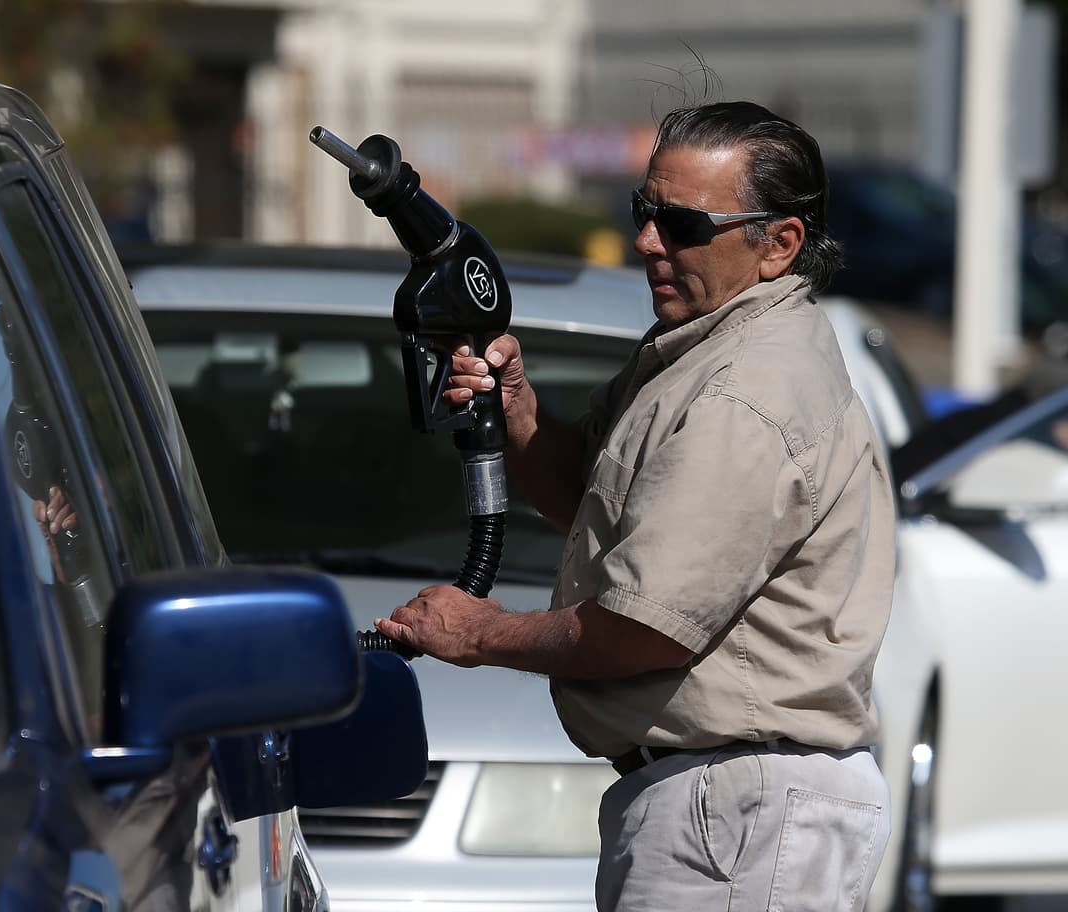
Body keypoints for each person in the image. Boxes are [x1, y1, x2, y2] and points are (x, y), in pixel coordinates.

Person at [376, 101, 896, 911]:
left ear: (780, 243)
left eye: (683, 224)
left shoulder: (745, 393)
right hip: (722, 804)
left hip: (737, 808)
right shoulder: (702, 350)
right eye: (643, 211)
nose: (649, 241)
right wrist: (517, 408)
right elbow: (593, 507)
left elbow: (643, 628)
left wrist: (477, 633)